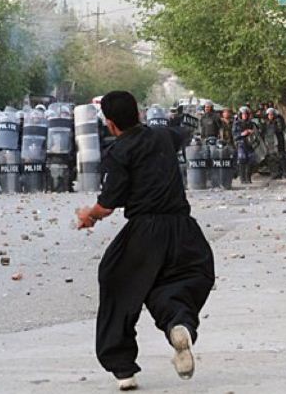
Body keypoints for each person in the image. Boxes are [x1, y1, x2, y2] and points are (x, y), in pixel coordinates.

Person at [75, 91, 214, 391]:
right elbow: (183, 133)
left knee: (117, 284)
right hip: (184, 230)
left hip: (145, 231)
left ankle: (123, 368)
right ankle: (179, 324)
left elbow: (107, 204)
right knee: (175, 283)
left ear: (110, 124)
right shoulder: (163, 136)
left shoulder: (119, 151)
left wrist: (89, 216)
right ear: (139, 113)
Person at [233, 106, 257, 184]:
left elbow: (258, 132)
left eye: (246, 114)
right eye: (243, 114)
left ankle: (248, 177)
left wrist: (252, 131)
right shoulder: (236, 124)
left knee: (251, 160)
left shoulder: (251, 123)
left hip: (250, 144)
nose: (245, 116)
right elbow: (234, 135)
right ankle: (242, 178)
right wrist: (242, 134)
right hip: (241, 143)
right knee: (242, 159)